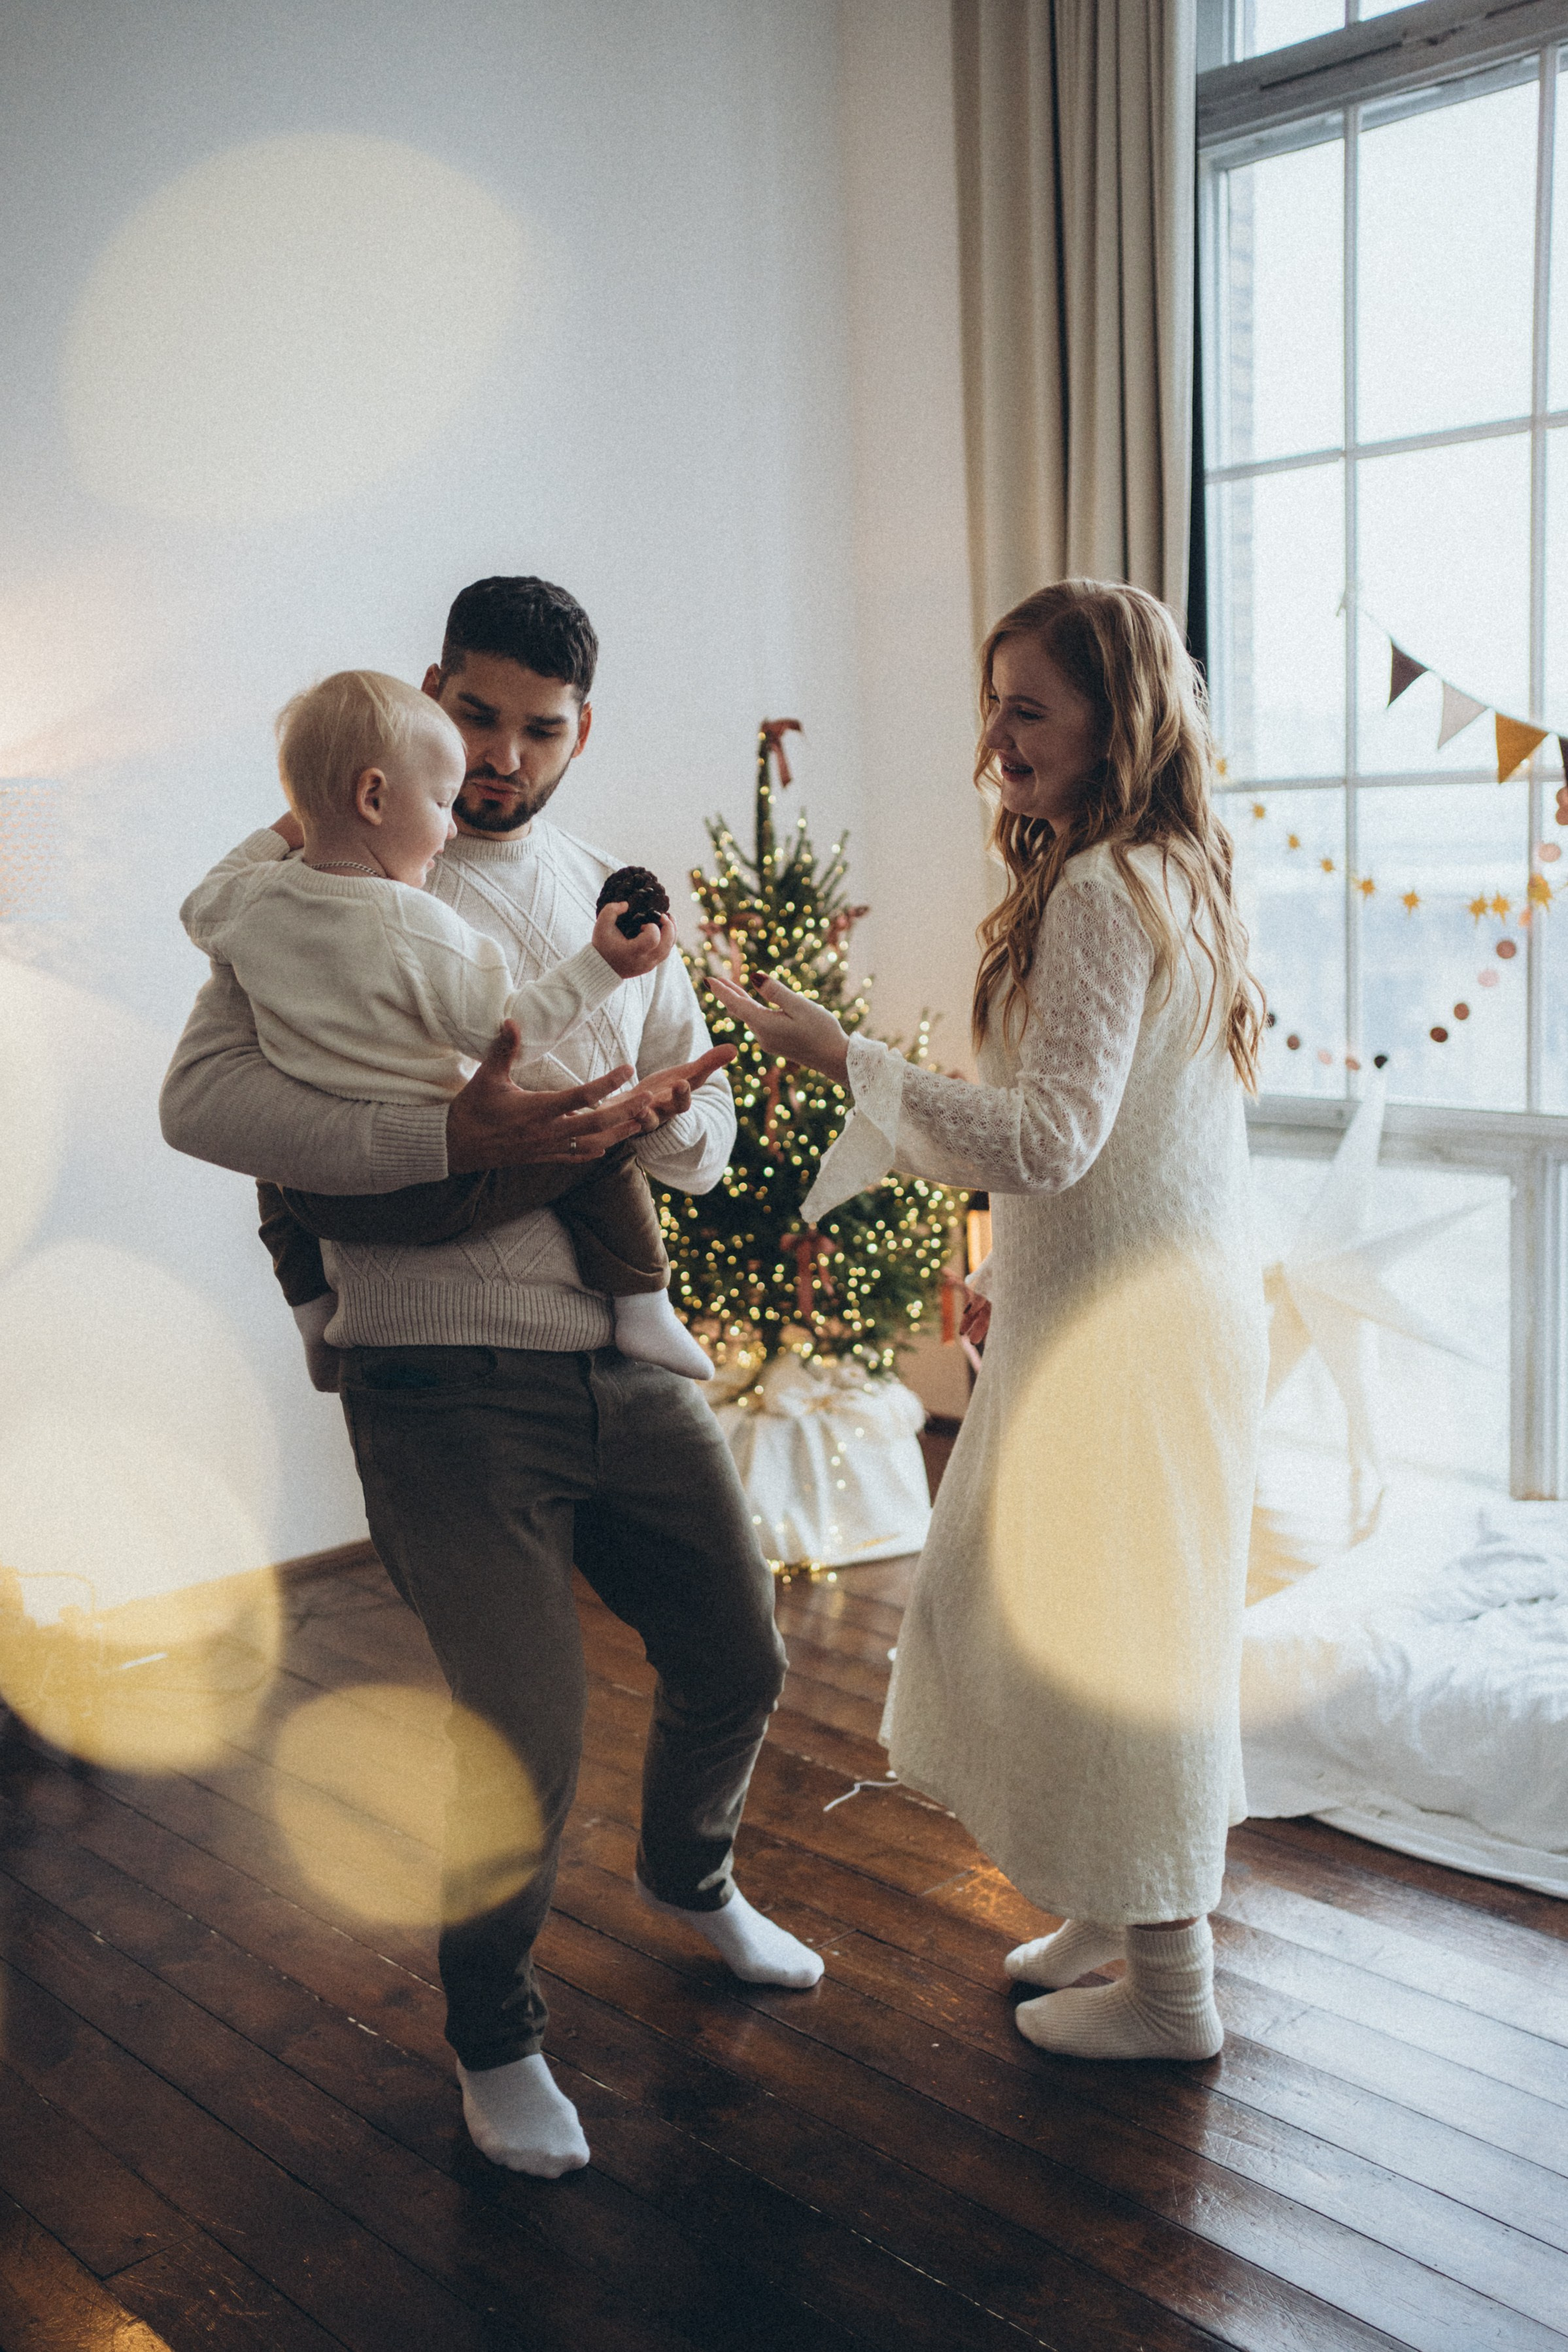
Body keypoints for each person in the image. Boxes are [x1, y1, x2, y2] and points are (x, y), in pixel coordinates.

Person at [161, 576, 822, 2180]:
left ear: (581, 729)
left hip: (622, 1354)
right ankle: (495, 2031)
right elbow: (201, 1102)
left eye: (540, 727)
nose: (504, 753)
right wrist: (441, 1137)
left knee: (739, 1654)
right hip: (437, 1380)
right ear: (427, 695)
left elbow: (706, 1138)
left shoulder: (607, 889)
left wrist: (653, 1119)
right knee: (519, 1734)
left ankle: (690, 1872)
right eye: (476, 714)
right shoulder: (311, 872)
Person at [710, 579, 1267, 2064]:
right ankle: (1106, 1907)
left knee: (1111, 1634)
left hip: (1126, 1342)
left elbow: (1047, 1138)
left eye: (1030, 705)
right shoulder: (1175, 870)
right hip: (1129, 1311)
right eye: (995, 699)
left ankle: (1170, 1989)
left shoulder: (1099, 890)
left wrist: (842, 1056)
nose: (997, 733)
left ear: (1113, 720)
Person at [182, 666, 712, 1382]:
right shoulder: (416, 924)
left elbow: (200, 902)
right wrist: (601, 966)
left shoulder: (250, 903)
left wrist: (294, 821)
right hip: (428, 1196)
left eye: (543, 729)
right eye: (440, 801)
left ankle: (314, 1321)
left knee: (271, 1179)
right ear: (373, 795)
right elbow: (509, 1031)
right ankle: (645, 1310)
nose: (452, 823)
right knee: (594, 1143)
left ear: (578, 728)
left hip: (316, 1205)